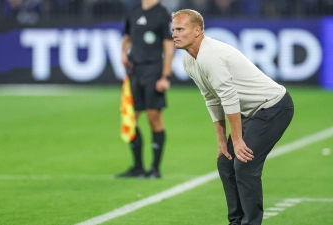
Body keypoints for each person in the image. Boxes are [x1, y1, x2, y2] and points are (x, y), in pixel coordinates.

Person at [171, 9, 294, 225]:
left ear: (197, 31)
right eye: (173, 30)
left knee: (245, 165)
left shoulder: (210, 56)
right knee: (225, 162)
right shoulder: (189, 60)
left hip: (273, 108)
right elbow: (212, 99)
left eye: (180, 29)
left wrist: (236, 140)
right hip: (250, 113)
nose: (175, 34)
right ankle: (236, 221)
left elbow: (229, 98)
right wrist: (222, 142)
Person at [116, 0, 175, 179]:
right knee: (130, 117)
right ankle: (138, 167)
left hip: (154, 70)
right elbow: (127, 37)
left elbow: (168, 46)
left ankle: (155, 168)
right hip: (136, 71)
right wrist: (123, 53)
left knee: (153, 117)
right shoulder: (133, 12)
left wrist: (165, 76)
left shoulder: (162, 13)